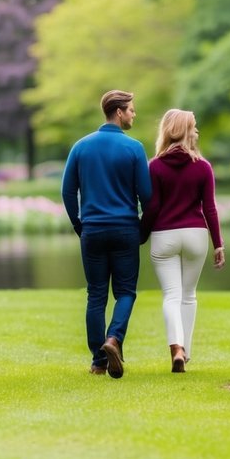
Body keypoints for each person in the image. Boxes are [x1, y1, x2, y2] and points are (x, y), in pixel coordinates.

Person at [61, 90, 152, 379]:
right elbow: (147, 196)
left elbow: (67, 191)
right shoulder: (134, 148)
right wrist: (143, 228)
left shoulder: (81, 147)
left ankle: (98, 361)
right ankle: (113, 339)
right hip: (125, 229)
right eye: (132, 110)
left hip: (93, 230)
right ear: (119, 112)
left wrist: (79, 224)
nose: (134, 115)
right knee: (125, 292)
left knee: (96, 295)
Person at [140, 109, 225, 373]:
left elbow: (152, 208)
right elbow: (210, 208)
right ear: (185, 131)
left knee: (171, 296)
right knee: (188, 296)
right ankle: (184, 351)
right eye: (194, 127)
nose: (197, 131)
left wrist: (141, 234)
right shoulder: (203, 167)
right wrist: (218, 243)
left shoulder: (154, 166)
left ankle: (176, 348)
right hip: (195, 236)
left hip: (164, 236)